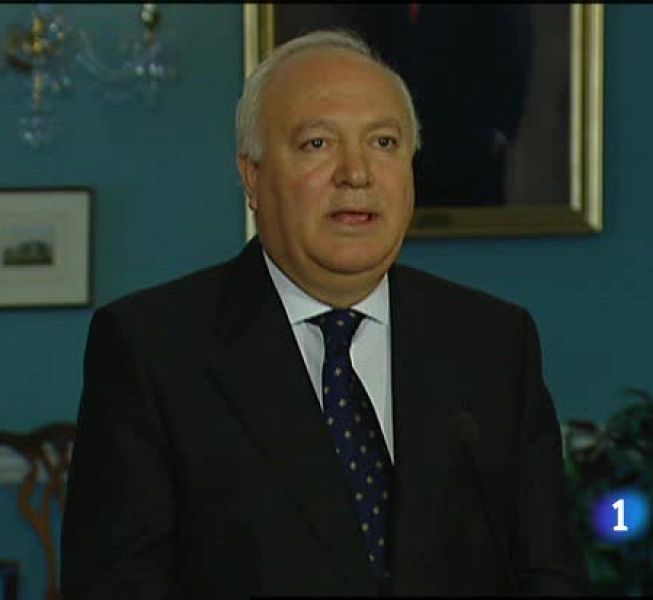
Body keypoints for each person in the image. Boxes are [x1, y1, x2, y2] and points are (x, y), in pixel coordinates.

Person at [61, 29, 587, 597]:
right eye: (317, 144)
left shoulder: (494, 343)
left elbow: (548, 574)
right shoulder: (152, 349)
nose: (356, 173)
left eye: (384, 142)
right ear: (253, 177)